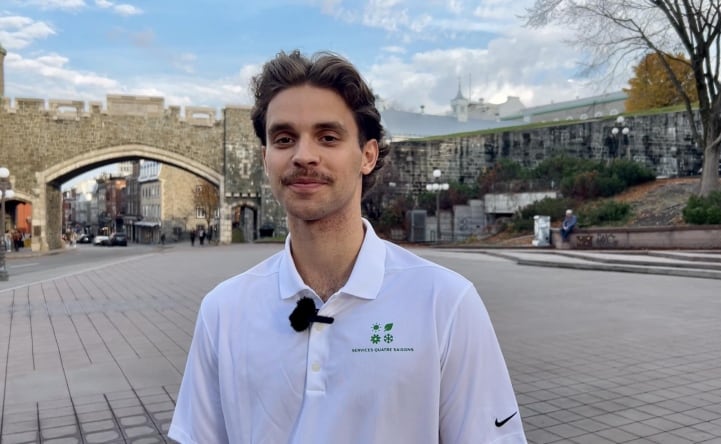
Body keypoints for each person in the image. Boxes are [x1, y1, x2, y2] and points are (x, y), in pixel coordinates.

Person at [168, 50, 527, 444]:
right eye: (284, 138)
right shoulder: (222, 311)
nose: (304, 156)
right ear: (266, 158)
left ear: (368, 155)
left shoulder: (446, 303)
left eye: (328, 137)